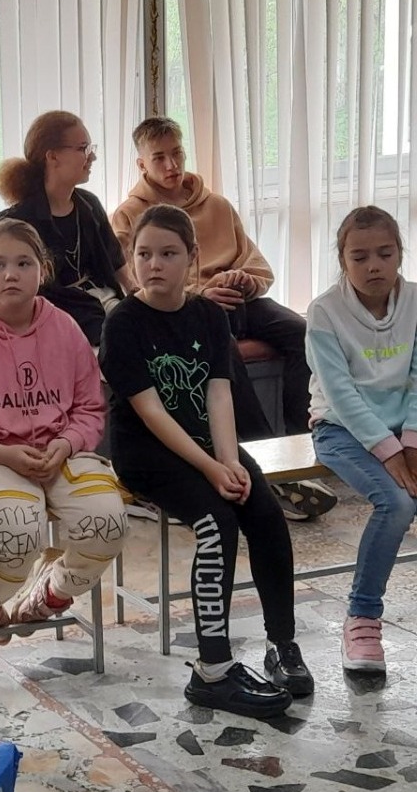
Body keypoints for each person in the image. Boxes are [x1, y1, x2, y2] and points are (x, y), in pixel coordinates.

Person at [100, 204, 313, 719]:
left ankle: (281, 644)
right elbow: (151, 412)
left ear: (192, 258)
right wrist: (212, 469)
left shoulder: (209, 316)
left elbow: (219, 394)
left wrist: (229, 461)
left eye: (168, 254)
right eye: (144, 254)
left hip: (208, 444)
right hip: (149, 454)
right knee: (218, 523)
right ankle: (212, 671)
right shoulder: (123, 322)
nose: (154, 264)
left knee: (264, 514)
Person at [110, 116, 336, 520]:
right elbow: (138, 283)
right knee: (225, 350)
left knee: (300, 332)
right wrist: (198, 294)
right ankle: (266, 465)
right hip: (193, 310)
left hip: (240, 299)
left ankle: (298, 447)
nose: (171, 165)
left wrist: (243, 279)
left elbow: (258, 265)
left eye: (177, 153)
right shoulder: (129, 215)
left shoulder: (216, 205)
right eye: (159, 158)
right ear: (141, 164)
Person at [0, 218, 127, 643]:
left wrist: (65, 444)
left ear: (42, 270)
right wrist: (1, 453)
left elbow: (89, 407)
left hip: (61, 452)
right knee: (19, 530)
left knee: (108, 523)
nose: (10, 274)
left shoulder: (64, 327)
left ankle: (51, 592)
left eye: (23, 263)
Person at [307, 206, 417, 673]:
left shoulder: (415, 301)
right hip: (340, 428)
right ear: (342, 260)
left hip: (404, 431)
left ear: (400, 254)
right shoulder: (324, 312)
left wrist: (410, 442)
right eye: (359, 257)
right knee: (397, 502)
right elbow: (341, 395)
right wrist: (390, 452)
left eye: (385, 254)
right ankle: (362, 618)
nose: (374, 266)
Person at [0, 110, 138, 348]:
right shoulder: (18, 220)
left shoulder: (89, 204)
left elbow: (115, 258)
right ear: (52, 156)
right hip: (65, 314)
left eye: (91, 148)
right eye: (83, 149)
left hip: (105, 301)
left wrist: (136, 292)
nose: (92, 157)